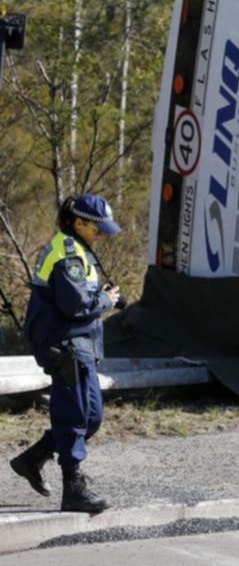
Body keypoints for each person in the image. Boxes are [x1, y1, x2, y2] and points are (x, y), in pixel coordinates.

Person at [10, 194, 122, 513]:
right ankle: (73, 491)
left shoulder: (79, 251)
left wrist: (102, 297)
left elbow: (79, 297)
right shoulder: (67, 253)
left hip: (78, 344)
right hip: (65, 345)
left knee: (91, 417)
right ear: (79, 222)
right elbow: (75, 305)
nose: (102, 235)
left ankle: (32, 459)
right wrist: (107, 302)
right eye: (98, 229)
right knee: (74, 415)